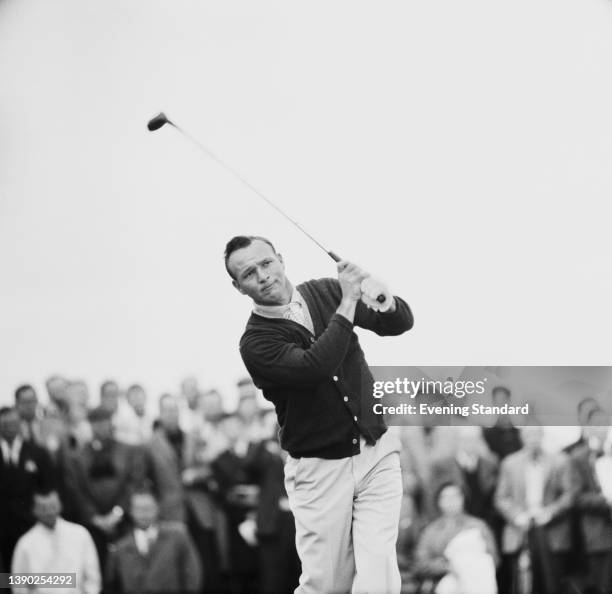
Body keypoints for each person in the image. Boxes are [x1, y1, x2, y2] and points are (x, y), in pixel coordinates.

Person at [225, 235, 414, 594]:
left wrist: (380, 296)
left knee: (379, 575)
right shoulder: (255, 343)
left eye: (266, 263)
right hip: (321, 469)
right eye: (249, 273)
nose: (263, 275)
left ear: (280, 259)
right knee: (327, 586)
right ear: (238, 287)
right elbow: (315, 367)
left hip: (377, 454)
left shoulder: (326, 291)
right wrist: (348, 300)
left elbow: (399, 323)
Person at [494, 424, 574, 594]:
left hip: (550, 530)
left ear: (542, 435)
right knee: (522, 584)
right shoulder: (510, 463)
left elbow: (569, 495)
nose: (533, 439)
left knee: (552, 584)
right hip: (520, 529)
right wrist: (517, 516)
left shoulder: (560, 460)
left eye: (536, 434)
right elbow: (501, 498)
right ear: (522, 437)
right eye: (529, 435)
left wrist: (550, 512)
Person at [63, 406, 145, 569]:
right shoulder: (77, 457)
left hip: (125, 521)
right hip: (91, 526)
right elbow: (76, 490)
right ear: (90, 425)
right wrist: (96, 519)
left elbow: (134, 483)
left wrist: (116, 513)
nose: (100, 426)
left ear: (111, 423)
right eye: (96, 423)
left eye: (104, 422)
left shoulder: (129, 451)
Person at [105, 489, 201, 594]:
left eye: (148, 508)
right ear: (131, 511)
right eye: (139, 509)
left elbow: (191, 573)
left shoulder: (177, 536)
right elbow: (112, 582)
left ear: (157, 508)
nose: (144, 513)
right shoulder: (121, 547)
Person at [414, 481, 498, 594]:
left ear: (463, 499)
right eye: (445, 497)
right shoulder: (431, 531)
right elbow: (421, 562)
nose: (451, 501)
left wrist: (469, 567)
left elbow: (493, 558)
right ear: (438, 501)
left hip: (476, 582)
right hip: (439, 582)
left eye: (455, 496)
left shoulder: (478, 526)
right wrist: (447, 567)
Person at [11, 489, 101, 594]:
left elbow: (93, 577)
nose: (49, 512)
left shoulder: (80, 534)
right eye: (43, 508)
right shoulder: (25, 543)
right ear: (34, 510)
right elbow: (18, 585)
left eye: (53, 506)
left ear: (60, 505)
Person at [0, 406, 55, 569]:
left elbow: (48, 489)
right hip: (3, 528)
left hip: (33, 524)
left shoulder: (38, 452)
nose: (10, 427)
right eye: (5, 424)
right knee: (8, 577)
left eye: (14, 423)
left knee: (39, 572)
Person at [570, 408, 612, 594]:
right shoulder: (579, 457)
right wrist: (606, 501)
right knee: (601, 586)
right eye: (599, 424)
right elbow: (577, 497)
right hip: (598, 534)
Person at [482, 386, 523, 461]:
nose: (500, 404)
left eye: (503, 400)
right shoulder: (487, 434)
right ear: (493, 404)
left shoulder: (520, 433)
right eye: (497, 401)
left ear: (509, 401)